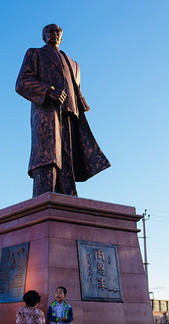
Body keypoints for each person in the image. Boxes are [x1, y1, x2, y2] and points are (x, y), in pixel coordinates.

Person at [16, 24, 110, 197]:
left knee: (67, 161)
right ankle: (43, 201)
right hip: (46, 111)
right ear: (43, 36)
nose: (55, 34)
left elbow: (77, 91)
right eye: (50, 31)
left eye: (58, 32)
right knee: (47, 157)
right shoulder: (35, 53)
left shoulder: (74, 64)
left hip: (70, 115)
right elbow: (22, 83)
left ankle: (68, 199)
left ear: (62, 37)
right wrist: (48, 91)